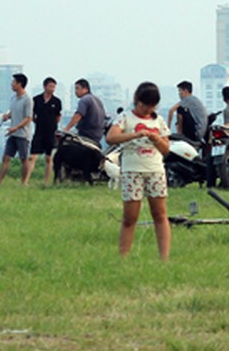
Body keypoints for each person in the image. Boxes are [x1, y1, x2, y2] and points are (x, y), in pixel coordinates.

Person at [107, 82, 171, 260]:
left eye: (152, 107)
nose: (147, 110)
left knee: (160, 214)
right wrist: (135, 135)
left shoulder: (158, 121)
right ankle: (123, 257)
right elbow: (111, 137)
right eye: (145, 106)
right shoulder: (125, 118)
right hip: (132, 171)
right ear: (137, 101)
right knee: (130, 217)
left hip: (155, 171)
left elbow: (166, 149)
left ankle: (164, 258)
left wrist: (156, 139)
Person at [0, 73, 35, 185]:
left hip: (23, 135)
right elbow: (14, 112)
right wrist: (7, 116)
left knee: (24, 159)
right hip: (13, 134)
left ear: (19, 84)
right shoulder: (13, 98)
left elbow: (28, 118)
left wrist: (16, 127)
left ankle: (24, 182)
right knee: (6, 158)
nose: (11, 84)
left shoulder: (28, 100)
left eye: (14, 82)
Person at [30, 77, 63, 185]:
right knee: (32, 157)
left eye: (54, 87)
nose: (52, 89)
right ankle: (26, 180)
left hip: (51, 133)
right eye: (50, 86)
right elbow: (32, 115)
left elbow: (58, 116)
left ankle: (46, 181)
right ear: (45, 87)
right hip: (39, 132)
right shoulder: (36, 100)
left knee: (49, 158)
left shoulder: (57, 101)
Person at [62, 78, 107, 144]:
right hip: (98, 136)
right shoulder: (97, 100)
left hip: (86, 135)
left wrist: (66, 129)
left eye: (77, 88)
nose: (75, 91)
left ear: (85, 89)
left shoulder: (84, 100)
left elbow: (78, 114)